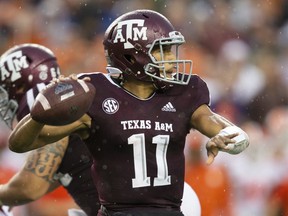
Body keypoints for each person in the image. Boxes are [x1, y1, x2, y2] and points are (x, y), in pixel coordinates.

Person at [8, 10, 249, 216]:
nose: (171, 60)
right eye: (161, 51)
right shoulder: (95, 94)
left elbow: (221, 126)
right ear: (133, 55)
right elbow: (20, 144)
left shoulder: (184, 92)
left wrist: (232, 139)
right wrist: (38, 115)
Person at [0, 43, 100, 215]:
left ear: (20, 86)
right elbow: (49, 178)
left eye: (4, 91)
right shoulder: (69, 96)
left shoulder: (52, 104)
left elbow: (29, 188)